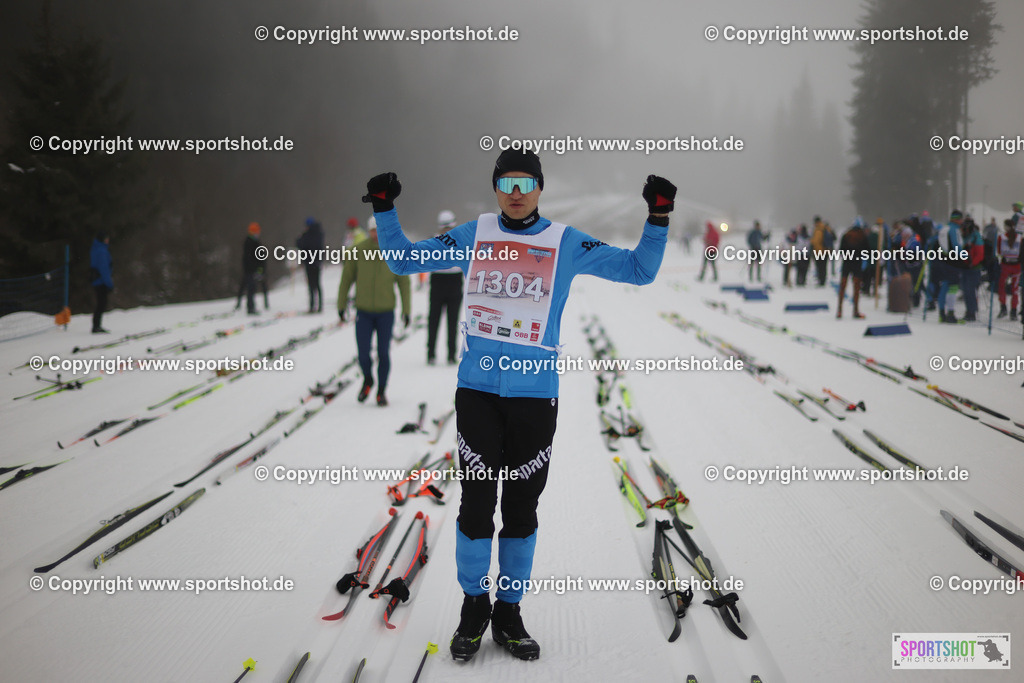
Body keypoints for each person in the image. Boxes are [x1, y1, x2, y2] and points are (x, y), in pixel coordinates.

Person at [365, 149, 674, 662]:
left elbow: (639, 270)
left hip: (535, 398)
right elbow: (403, 259)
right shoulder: (475, 234)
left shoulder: (565, 242)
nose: (515, 191)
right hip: (479, 395)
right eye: (506, 181)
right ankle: (473, 606)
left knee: (521, 510)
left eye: (524, 182)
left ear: (539, 188)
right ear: (495, 188)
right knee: (475, 506)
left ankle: (508, 611)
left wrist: (658, 216)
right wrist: (384, 209)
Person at [338, 220, 411, 406]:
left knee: (383, 353)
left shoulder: (394, 251)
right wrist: (341, 304)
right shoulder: (358, 250)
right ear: (368, 231)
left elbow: (404, 283)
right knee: (363, 354)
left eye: (379, 231)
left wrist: (406, 309)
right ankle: (368, 379)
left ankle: (381, 391)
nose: (376, 235)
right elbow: (346, 279)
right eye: (373, 231)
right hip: (364, 312)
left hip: (386, 312)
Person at [426, 210, 464, 365]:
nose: (447, 230)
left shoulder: (461, 240)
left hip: (454, 282)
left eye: (449, 227)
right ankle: (431, 353)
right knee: (433, 320)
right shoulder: (433, 242)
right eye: (445, 228)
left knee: (452, 321)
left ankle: (451, 354)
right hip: (438, 282)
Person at [935, 210, 965, 324]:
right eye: (960, 219)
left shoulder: (944, 228)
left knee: (945, 286)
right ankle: (951, 314)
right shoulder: (953, 229)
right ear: (956, 219)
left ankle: (942, 314)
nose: (962, 221)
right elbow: (956, 245)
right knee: (953, 287)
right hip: (953, 261)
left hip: (943, 260)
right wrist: (965, 256)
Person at [836, 219, 867, 319]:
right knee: (856, 288)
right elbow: (867, 250)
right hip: (857, 264)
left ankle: (839, 310)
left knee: (843, 286)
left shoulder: (846, 235)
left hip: (846, 264)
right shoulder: (862, 236)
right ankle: (855, 310)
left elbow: (841, 250)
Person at [236, 222, 269, 315]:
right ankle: (250, 308)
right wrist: (256, 269)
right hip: (250, 270)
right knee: (250, 288)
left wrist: (260, 269)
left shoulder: (254, 242)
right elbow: (251, 258)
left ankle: (251, 306)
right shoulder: (250, 242)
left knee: (251, 288)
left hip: (252, 269)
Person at [957, 215, 985, 322]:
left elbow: (980, 254)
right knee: (965, 290)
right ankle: (969, 310)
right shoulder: (964, 236)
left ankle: (972, 312)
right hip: (965, 267)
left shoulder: (976, 236)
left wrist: (972, 263)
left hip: (974, 268)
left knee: (970, 290)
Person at [297, 217, 325, 313]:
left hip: (310, 262)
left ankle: (313, 305)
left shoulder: (308, 235)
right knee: (317, 284)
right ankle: (319, 305)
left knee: (312, 285)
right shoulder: (319, 234)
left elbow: (301, 245)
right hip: (316, 262)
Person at [996, 219, 1020, 320]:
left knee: (1002, 287)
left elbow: (998, 251)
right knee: (1015, 290)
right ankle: (1013, 311)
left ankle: (1003, 308)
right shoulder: (1020, 237)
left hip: (1005, 265)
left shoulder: (1001, 237)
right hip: (1017, 266)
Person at [89, 232, 113, 333]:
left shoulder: (96, 249)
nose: (108, 240)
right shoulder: (101, 251)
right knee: (101, 303)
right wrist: (109, 283)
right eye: (106, 239)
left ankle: (96, 325)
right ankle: (96, 326)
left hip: (96, 280)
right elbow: (104, 269)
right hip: (101, 281)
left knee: (100, 303)